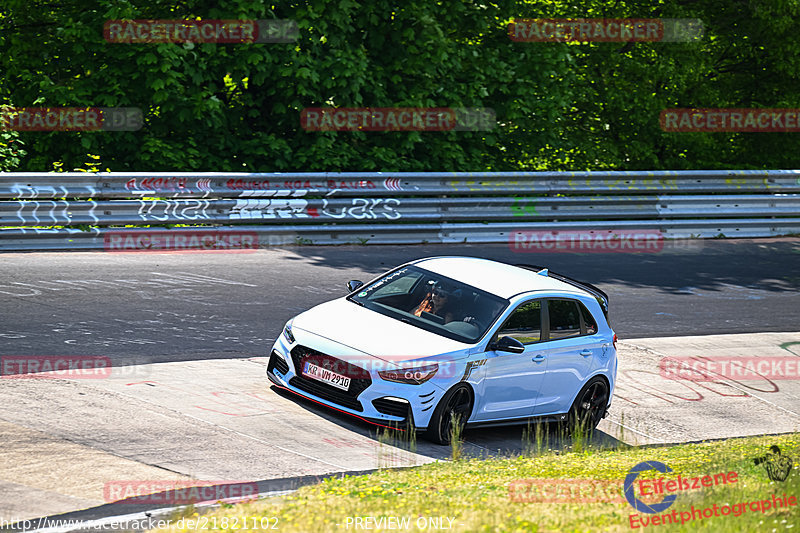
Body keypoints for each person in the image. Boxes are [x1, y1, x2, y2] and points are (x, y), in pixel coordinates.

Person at [411, 281, 478, 325]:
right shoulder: (425, 304)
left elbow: (447, 330)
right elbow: (410, 314)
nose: (437, 297)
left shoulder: (448, 315)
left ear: (447, 299)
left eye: (442, 295)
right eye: (436, 293)